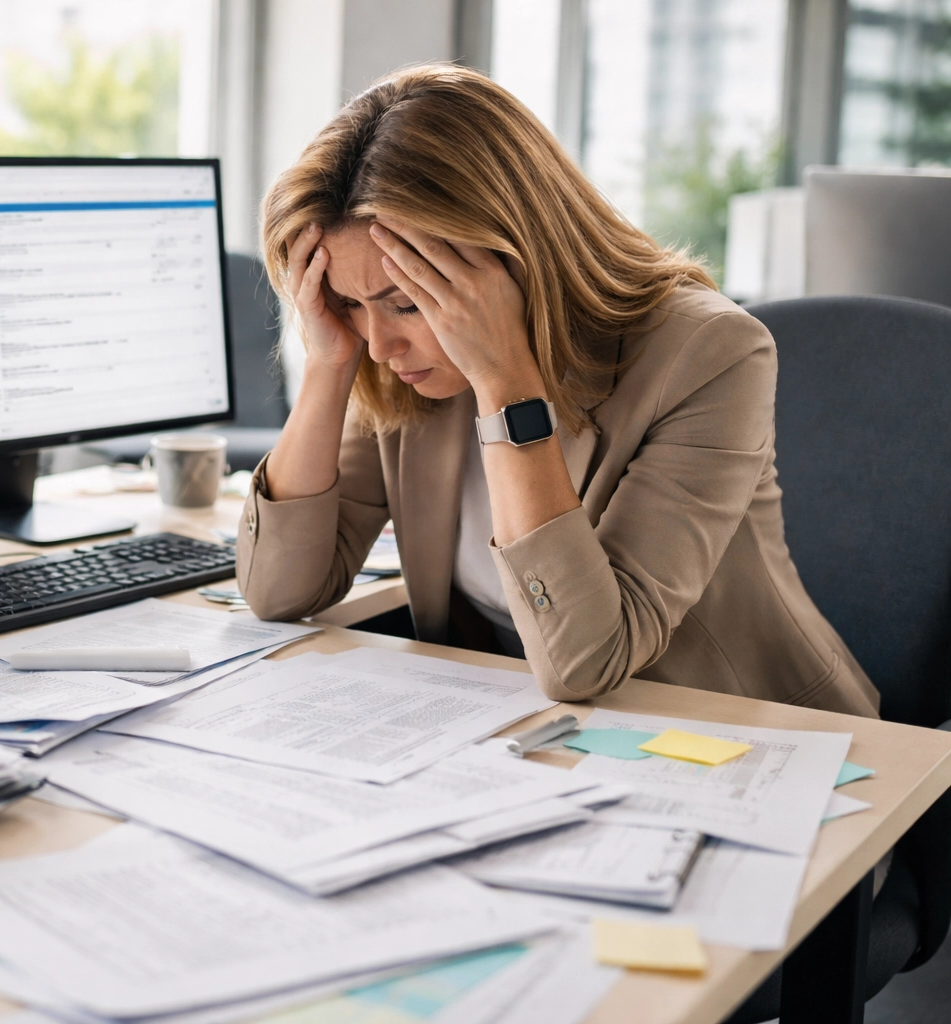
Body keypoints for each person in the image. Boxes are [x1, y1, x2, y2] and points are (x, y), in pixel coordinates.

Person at [235, 63, 878, 716]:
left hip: (738, 730)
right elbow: (279, 592)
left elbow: (588, 661)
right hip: (532, 727)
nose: (380, 345)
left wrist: (507, 387)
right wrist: (326, 364)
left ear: (514, 257)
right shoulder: (397, 362)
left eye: (406, 303)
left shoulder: (709, 352)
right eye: (348, 302)